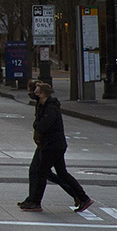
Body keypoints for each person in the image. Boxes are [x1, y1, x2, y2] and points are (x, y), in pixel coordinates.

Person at [19, 80, 93, 212]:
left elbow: (41, 126)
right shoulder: (42, 105)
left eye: (36, 92)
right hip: (50, 144)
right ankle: (83, 198)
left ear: (43, 94)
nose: (33, 94)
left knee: (42, 173)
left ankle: (36, 202)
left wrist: (37, 125)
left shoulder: (51, 108)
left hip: (52, 145)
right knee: (59, 173)